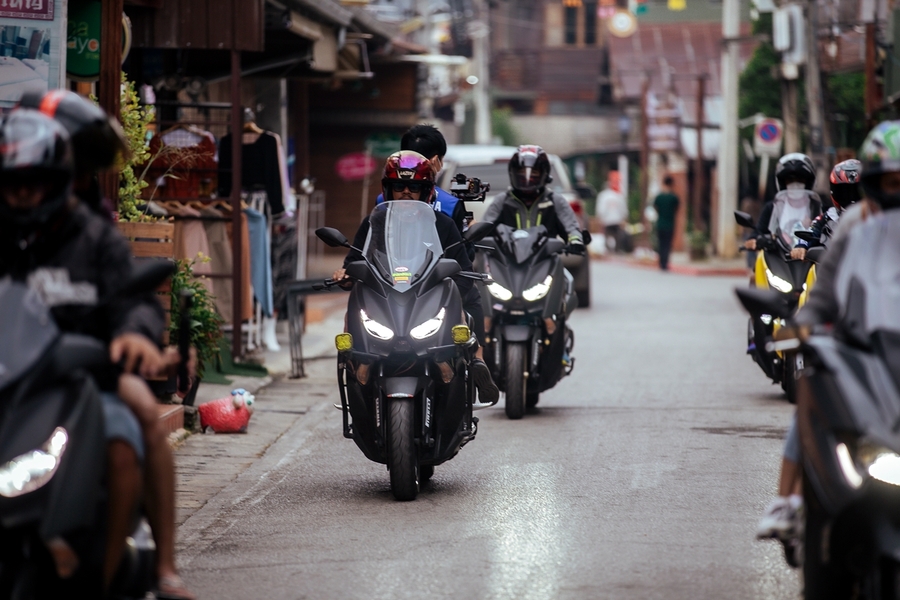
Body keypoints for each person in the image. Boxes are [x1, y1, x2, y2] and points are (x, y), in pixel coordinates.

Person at [0, 107, 194, 600]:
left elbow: (133, 300)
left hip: (87, 375)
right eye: (14, 184)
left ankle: (147, 570)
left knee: (129, 437)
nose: (23, 195)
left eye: (35, 183)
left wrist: (134, 335)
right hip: (12, 380)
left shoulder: (93, 235)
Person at [755, 127, 891, 543]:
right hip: (858, 344)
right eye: (889, 182)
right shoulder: (849, 227)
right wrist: (799, 327)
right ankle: (787, 500)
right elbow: (824, 292)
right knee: (813, 389)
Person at [333, 150, 499, 405]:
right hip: (386, 299)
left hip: (429, 298)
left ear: (427, 191)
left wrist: (449, 294)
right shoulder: (374, 223)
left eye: (414, 187)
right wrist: (345, 275)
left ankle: (467, 363)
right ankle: (360, 363)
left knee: (463, 306)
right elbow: (353, 262)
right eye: (399, 186)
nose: (406, 192)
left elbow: (463, 270)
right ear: (388, 189)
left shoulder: (443, 224)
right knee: (354, 305)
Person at [483, 145, 584, 251]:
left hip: (546, 257)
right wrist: (476, 239)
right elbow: (485, 226)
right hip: (507, 257)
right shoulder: (502, 200)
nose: (527, 177)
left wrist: (575, 239)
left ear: (544, 174)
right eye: (521, 172)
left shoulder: (555, 200)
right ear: (513, 173)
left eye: (534, 172)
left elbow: (571, 226)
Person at [744, 153, 823, 253]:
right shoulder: (772, 207)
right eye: (790, 180)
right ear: (782, 182)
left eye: (800, 179)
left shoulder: (817, 207)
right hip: (778, 256)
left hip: (808, 258)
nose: (795, 184)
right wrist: (754, 241)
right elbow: (757, 233)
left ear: (808, 181)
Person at [789, 158, 861, 261]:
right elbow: (813, 229)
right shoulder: (830, 215)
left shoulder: (878, 216)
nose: (852, 198)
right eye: (845, 192)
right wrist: (801, 246)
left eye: (858, 192)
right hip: (834, 264)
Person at [596, 171, 628, 253]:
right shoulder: (619, 195)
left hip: (606, 221)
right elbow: (623, 209)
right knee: (617, 237)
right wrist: (624, 218)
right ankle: (616, 250)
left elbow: (601, 208)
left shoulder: (603, 195)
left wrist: (600, 218)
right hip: (617, 220)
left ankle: (608, 250)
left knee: (607, 236)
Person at [652, 175, 679, 271]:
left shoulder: (659, 197)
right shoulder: (674, 198)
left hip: (660, 223)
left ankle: (661, 262)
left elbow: (655, 208)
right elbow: (676, 209)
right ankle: (665, 263)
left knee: (661, 243)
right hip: (670, 224)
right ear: (671, 184)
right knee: (667, 244)